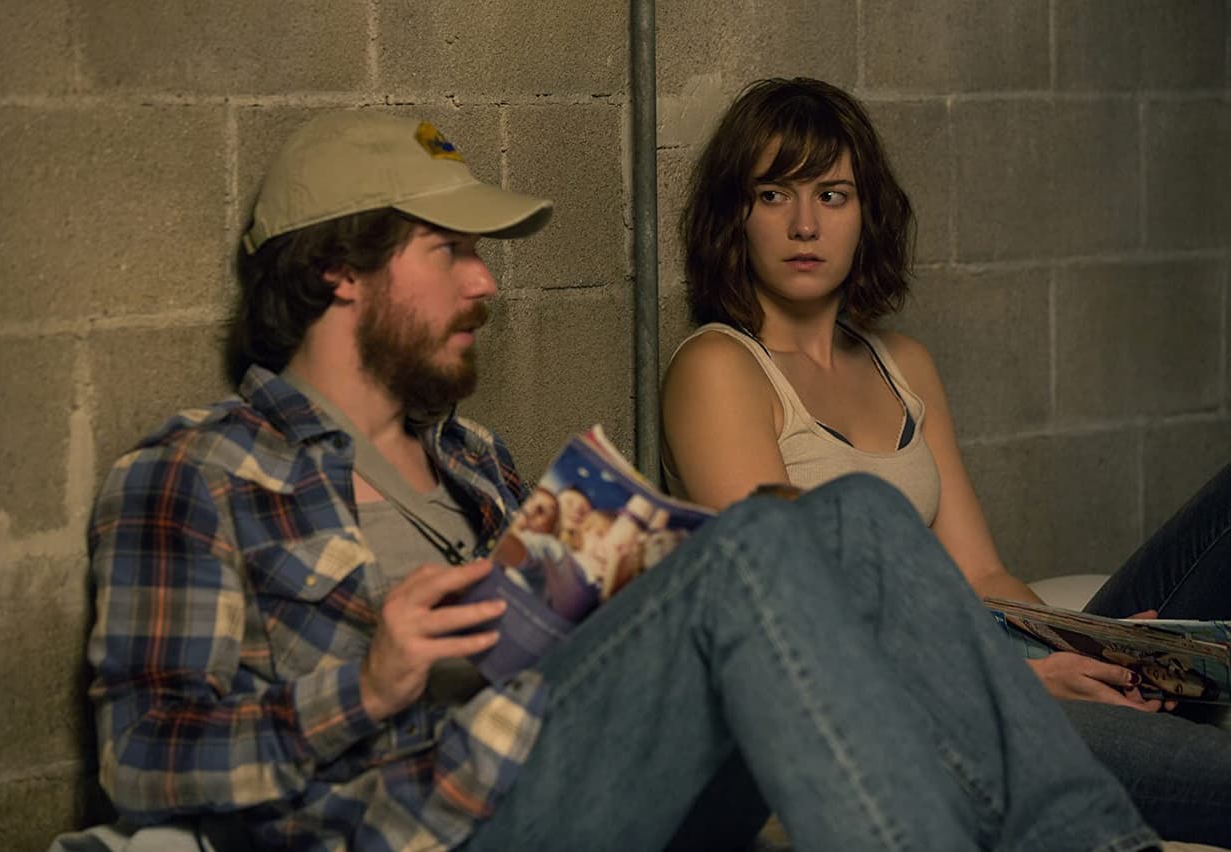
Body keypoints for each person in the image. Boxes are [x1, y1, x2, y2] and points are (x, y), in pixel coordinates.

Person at [83, 109, 1161, 851]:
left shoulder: (472, 458)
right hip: (433, 823)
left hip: (579, 769)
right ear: (337, 270)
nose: (485, 281)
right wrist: (367, 684)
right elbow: (139, 757)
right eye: (448, 250)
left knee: (857, 516)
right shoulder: (198, 473)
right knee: (755, 541)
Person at [661, 76, 1231, 845]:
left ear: (866, 213)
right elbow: (797, 628)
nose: (804, 225)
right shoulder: (720, 369)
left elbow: (983, 576)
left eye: (831, 195)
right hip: (909, 710)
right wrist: (1024, 683)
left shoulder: (902, 363)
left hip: (995, 659)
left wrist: (1090, 652)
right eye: (773, 195)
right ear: (735, 214)